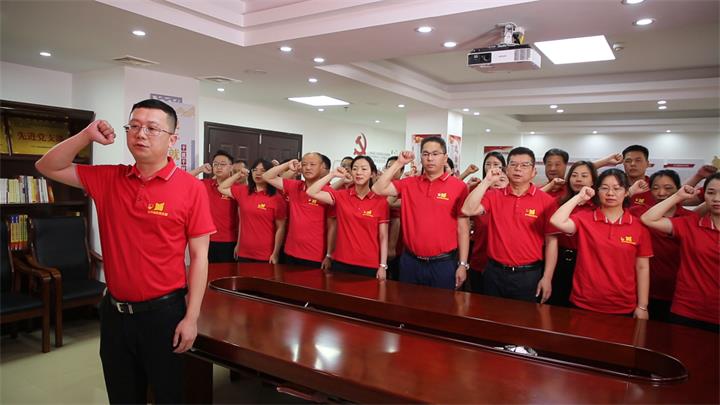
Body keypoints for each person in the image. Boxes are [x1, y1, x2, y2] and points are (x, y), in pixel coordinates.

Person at [35, 99, 215, 403]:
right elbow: (47, 166)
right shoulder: (108, 178)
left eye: (152, 128)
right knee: (122, 396)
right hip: (115, 313)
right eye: (134, 126)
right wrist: (87, 135)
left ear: (172, 139)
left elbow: (199, 258)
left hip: (165, 315)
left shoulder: (191, 188)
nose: (140, 134)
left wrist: (191, 318)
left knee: (169, 396)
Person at [550, 169, 652, 319]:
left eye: (617, 188)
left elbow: (642, 267)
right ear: (597, 191)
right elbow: (556, 221)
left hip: (622, 304)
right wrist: (579, 197)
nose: (610, 193)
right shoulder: (584, 219)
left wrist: (642, 306)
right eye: (604, 188)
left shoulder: (638, 226)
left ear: (626, 192)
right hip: (583, 301)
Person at [461, 147, 558, 303]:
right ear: (506, 170)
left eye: (524, 165)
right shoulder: (494, 196)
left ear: (534, 171)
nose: (518, 169)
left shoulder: (547, 201)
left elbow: (551, 242)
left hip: (528, 274)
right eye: (513, 164)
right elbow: (467, 210)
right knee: (490, 315)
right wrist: (487, 181)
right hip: (494, 272)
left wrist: (547, 277)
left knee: (524, 316)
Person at [373, 136, 470, 290]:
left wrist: (463, 264)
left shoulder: (459, 187)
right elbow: (378, 189)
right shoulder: (409, 183)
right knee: (407, 303)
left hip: (443, 263)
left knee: (442, 304)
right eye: (425, 154)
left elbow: (463, 229)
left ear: (445, 158)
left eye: (435, 154)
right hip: (410, 261)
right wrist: (399, 163)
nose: (430, 158)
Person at [641, 173, 719, 332]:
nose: (717, 198)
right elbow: (648, 219)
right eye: (711, 193)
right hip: (687, 310)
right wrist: (677, 196)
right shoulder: (691, 223)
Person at [307, 156, 389, 278]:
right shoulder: (341, 196)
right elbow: (311, 192)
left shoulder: (380, 202)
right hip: (341, 261)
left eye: (364, 169)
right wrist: (332, 174)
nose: (359, 172)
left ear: (372, 174)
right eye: (355, 169)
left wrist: (383, 265)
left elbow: (383, 236)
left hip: (368, 263)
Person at [629, 170, 693, 321]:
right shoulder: (638, 212)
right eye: (655, 188)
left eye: (668, 188)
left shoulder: (689, 218)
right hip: (641, 288)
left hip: (676, 291)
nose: (661, 193)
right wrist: (630, 192)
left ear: (679, 189)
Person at [262, 152, 332, 267]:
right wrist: (288, 165)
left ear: (322, 167)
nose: (308, 167)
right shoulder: (295, 186)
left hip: (315, 254)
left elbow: (332, 226)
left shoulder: (328, 192)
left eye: (312, 164)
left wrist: (329, 255)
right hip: (290, 251)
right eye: (304, 164)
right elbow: (267, 176)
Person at [547, 161, 598, 307]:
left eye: (584, 176)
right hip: (558, 258)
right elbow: (552, 233)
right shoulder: (559, 202)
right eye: (574, 175)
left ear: (593, 181)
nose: (578, 179)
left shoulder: (598, 206)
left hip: (586, 260)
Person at [218, 159, 287, 263]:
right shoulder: (243, 191)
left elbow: (281, 228)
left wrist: (275, 253)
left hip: (265, 254)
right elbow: (222, 188)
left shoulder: (277, 198)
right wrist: (238, 174)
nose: (258, 173)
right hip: (244, 251)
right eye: (255, 170)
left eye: (263, 170)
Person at [466, 151, 506, 294]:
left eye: (496, 164)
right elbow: (465, 211)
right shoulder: (477, 189)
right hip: (479, 254)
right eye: (488, 164)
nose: (491, 168)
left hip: (502, 261)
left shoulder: (508, 192)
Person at [188, 150, 239, 263]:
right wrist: (200, 169)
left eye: (223, 164)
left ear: (231, 167)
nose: (218, 167)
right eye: (215, 164)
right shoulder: (206, 184)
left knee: (225, 272)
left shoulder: (236, 188)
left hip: (228, 240)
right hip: (205, 238)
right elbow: (183, 180)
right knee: (205, 270)